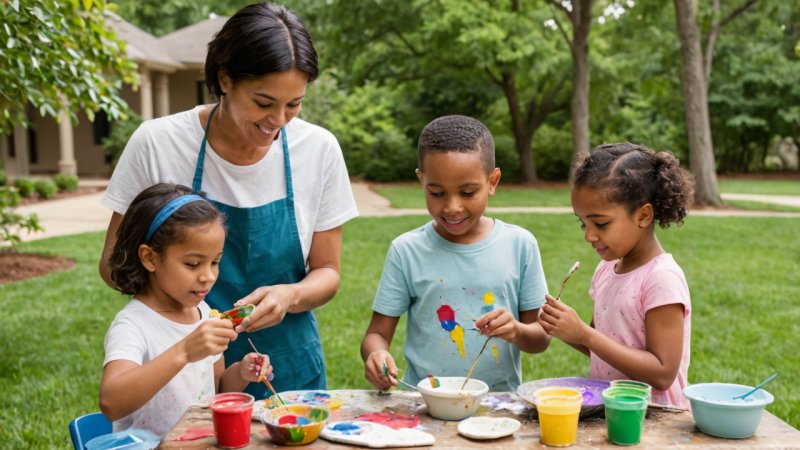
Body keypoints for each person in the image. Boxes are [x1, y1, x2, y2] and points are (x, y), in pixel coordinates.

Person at [98, 2, 358, 396]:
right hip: (183, 373)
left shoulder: (318, 149)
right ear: (225, 79)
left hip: (289, 366)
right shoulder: (158, 143)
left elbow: (328, 273)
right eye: (264, 103)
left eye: (294, 104)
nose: (279, 121)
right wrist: (184, 322)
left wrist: (290, 295)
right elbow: (113, 263)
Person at [361, 115, 551, 392]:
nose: (452, 207)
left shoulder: (520, 244)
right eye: (437, 193)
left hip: (498, 406)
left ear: (493, 181)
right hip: (425, 403)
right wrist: (376, 355)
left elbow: (541, 338)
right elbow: (377, 334)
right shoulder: (406, 250)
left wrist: (516, 330)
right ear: (421, 181)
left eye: (468, 192)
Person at [99, 183, 272, 438]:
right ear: (150, 258)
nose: (208, 276)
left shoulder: (204, 313)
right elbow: (111, 403)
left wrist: (241, 372)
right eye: (193, 264)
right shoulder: (133, 325)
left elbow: (216, 390)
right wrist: (185, 350)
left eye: (215, 262)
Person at [538, 143, 694, 408]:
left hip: (656, 419)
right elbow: (601, 348)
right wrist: (570, 332)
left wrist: (585, 334)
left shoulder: (661, 278)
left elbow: (663, 373)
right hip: (613, 409)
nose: (589, 235)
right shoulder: (606, 270)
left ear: (643, 215)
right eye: (583, 223)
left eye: (600, 223)